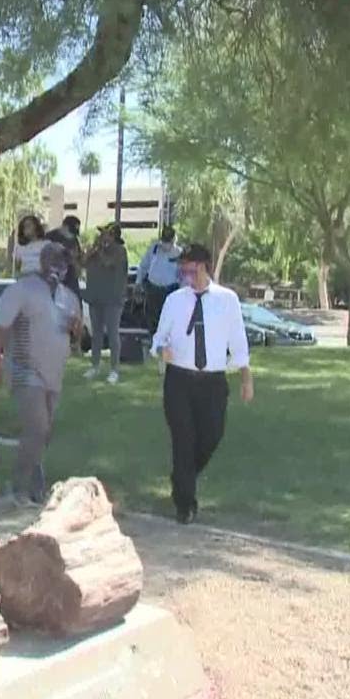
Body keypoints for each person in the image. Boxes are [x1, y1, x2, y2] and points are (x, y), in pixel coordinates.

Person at [152, 244, 254, 524]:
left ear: (204, 266)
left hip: (212, 381)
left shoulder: (227, 300)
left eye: (190, 268)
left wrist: (246, 378)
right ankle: (185, 504)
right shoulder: (174, 300)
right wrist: (161, 350)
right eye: (182, 269)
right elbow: (159, 337)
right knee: (183, 441)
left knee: (211, 436)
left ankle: (181, 478)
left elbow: (239, 342)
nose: (185, 274)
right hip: (179, 380)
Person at [0, 242, 83, 505]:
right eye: (52, 260)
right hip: (24, 369)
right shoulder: (22, 290)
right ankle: (19, 487)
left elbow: (78, 336)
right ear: (41, 262)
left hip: (55, 372)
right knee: (37, 427)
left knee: (43, 432)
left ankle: (34, 482)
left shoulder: (68, 296)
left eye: (63, 262)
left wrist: (76, 330)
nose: (57, 267)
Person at [83, 223, 130, 384]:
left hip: (113, 299)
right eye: (101, 234)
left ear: (114, 236)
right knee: (96, 334)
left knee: (112, 334)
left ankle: (114, 369)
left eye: (107, 234)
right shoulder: (96, 250)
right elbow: (83, 262)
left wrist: (101, 250)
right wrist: (93, 249)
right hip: (95, 297)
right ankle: (94, 366)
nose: (103, 237)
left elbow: (108, 263)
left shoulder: (120, 251)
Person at [138, 225, 183, 334]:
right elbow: (143, 266)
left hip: (170, 291)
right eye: (164, 241)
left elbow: (183, 275)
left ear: (174, 240)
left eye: (168, 241)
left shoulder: (179, 253)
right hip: (153, 290)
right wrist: (138, 283)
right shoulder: (154, 249)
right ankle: (154, 343)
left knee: (170, 321)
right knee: (153, 321)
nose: (165, 245)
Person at [47, 215, 84, 297]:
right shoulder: (50, 238)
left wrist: (74, 259)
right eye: (70, 231)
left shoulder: (74, 240)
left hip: (70, 280)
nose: (72, 235)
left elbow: (78, 261)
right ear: (64, 226)